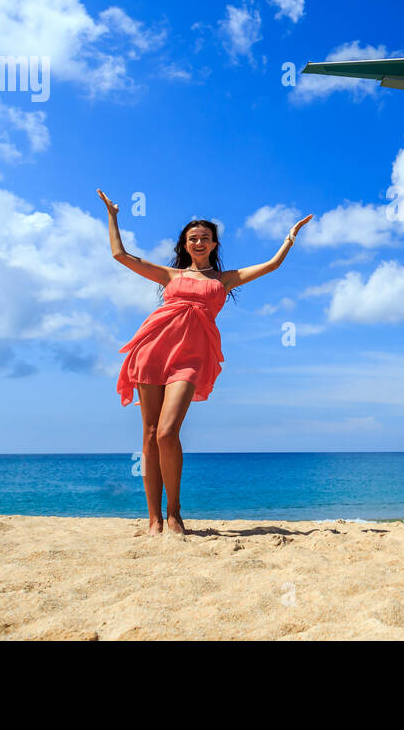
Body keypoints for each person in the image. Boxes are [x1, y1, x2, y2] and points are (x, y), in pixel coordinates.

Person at [97, 188, 312, 535]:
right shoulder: (171, 276)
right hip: (153, 350)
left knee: (168, 432)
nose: (198, 242)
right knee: (149, 434)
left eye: (205, 238)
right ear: (185, 244)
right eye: (193, 238)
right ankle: (154, 519)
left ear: (214, 244)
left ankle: (174, 513)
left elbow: (271, 265)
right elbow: (120, 255)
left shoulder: (223, 280)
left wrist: (289, 237)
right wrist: (113, 215)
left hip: (191, 358)